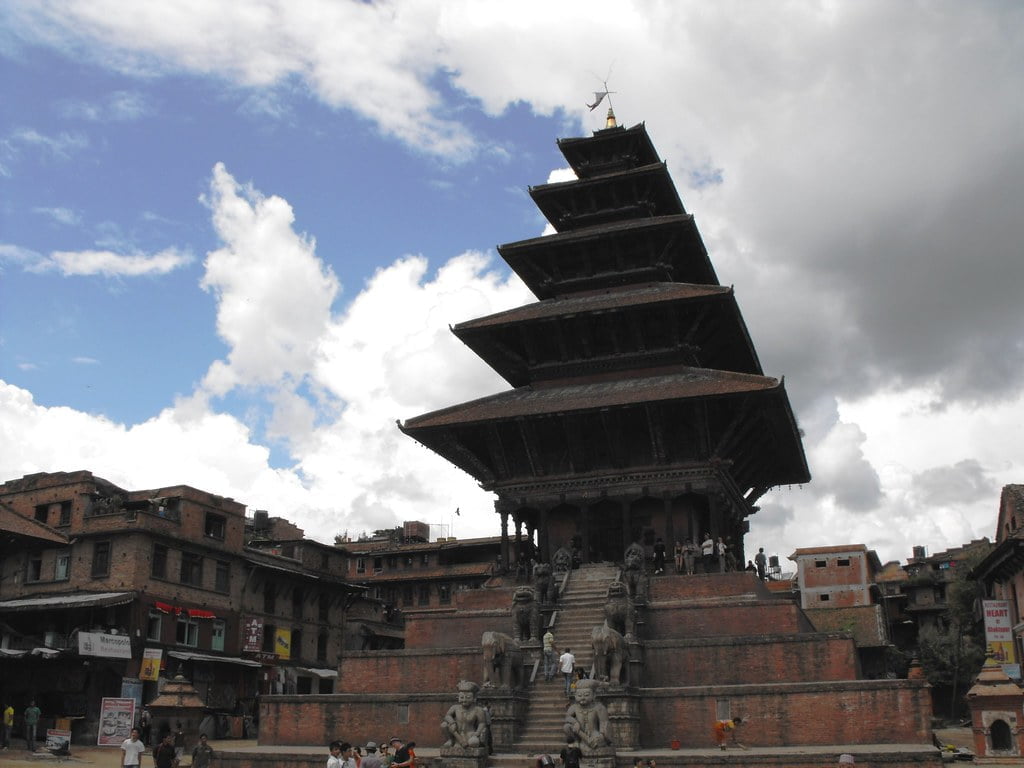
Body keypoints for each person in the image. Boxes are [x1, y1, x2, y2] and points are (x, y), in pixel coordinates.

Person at [563, 679, 611, 751]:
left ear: (594, 695)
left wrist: (602, 735)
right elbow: (567, 717)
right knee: (567, 727)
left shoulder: (599, 707)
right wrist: (575, 722)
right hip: (580, 734)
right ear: (575, 696)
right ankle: (576, 741)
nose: (583, 697)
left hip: (594, 734)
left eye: (586, 695)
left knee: (598, 741)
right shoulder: (574, 707)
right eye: (579, 695)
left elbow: (604, 724)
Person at [440, 680, 488, 749]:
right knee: (444, 725)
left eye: (468, 697)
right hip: (457, 732)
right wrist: (452, 723)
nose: (464, 700)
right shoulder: (455, 707)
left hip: (470, 733)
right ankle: (451, 740)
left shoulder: (478, 710)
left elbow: (482, 723)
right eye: (462, 697)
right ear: (458, 698)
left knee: (473, 742)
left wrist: (477, 733)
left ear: (474, 699)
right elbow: (447, 716)